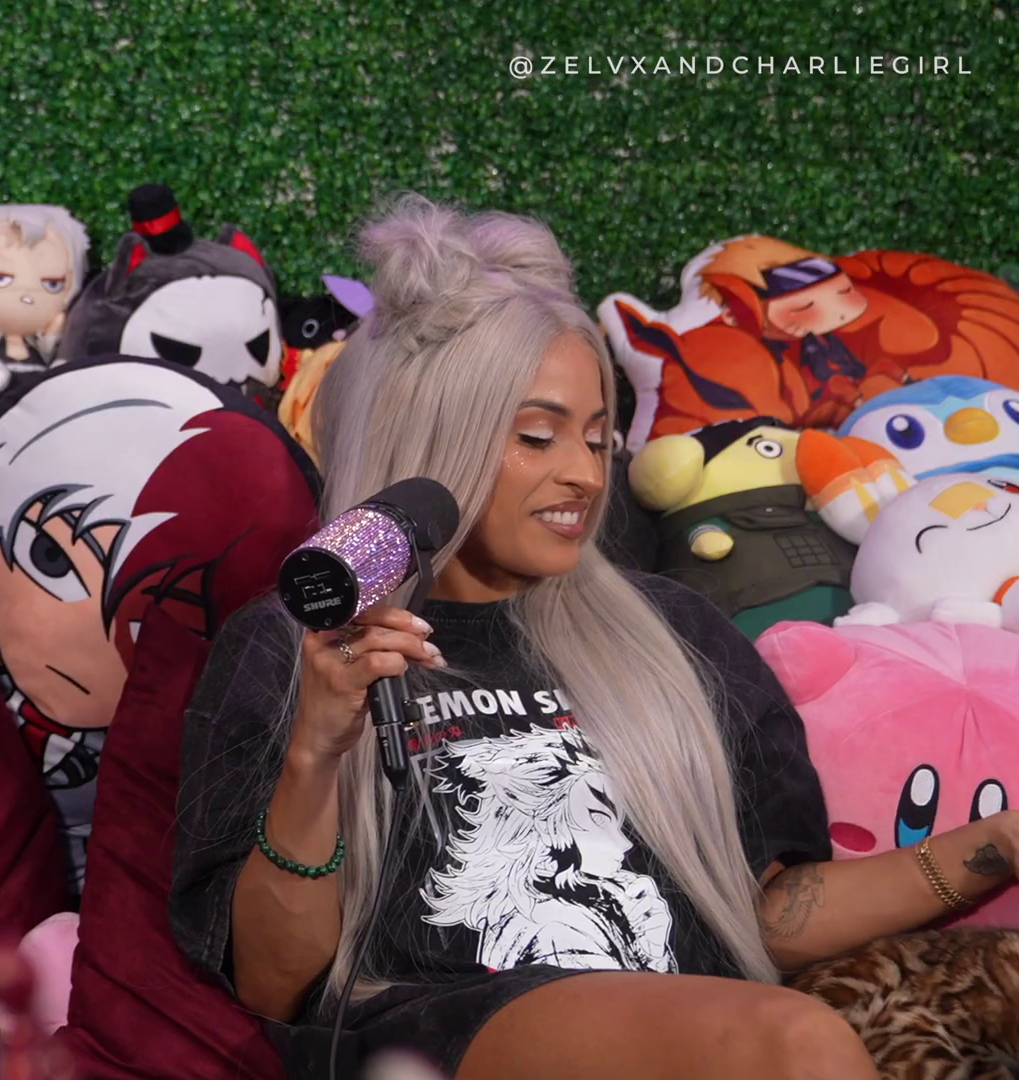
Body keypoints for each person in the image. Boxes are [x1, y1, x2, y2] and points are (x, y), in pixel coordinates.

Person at [168, 193, 1019, 1080]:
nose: (583, 473)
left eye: (599, 438)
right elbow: (273, 985)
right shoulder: (299, 647)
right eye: (537, 436)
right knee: (793, 1043)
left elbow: (765, 916)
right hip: (435, 1038)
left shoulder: (673, 632)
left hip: (703, 1035)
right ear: (429, 436)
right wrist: (315, 754)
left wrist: (999, 843)